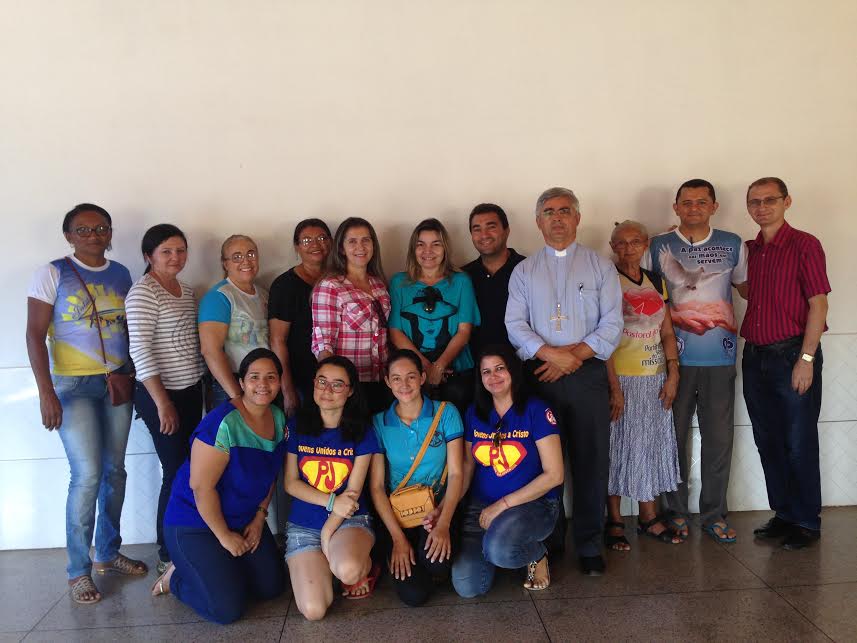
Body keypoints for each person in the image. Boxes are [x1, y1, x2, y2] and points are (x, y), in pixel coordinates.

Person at [25, 203, 147, 605]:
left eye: (101, 228)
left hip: (116, 382)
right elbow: (34, 334)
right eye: (83, 229)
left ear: (110, 233)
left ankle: (108, 553)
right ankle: (78, 570)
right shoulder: (52, 273)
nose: (93, 235)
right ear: (69, 236)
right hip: (72, 387)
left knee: (115, 471)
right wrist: (46, 392)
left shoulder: (121, 274)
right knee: (88, 475)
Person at [506, 187, 623, 576]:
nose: (557, 218)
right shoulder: (525, 271)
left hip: (588, 375)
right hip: (541, 377)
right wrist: (551, 355)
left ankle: (589, 545)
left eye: (564, 211)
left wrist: (573, 357)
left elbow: (612, 323)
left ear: (577, 218)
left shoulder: (600, 266)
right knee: (544, 464)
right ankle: (549, 542)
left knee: (591, 461)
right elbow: (515, 324)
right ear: (538, 221)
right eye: (549, 212)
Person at [150, 348, 288, 624]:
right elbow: (202, 488)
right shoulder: (222, 423)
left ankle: (219, 571)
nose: (263, 384)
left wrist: (259, 518)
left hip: (243, 519)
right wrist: (224, 536)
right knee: (227, 610)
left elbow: (270, 473)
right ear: (241, 382)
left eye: (271, 377)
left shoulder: (277, 417)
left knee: (272, 587)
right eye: (254, 377)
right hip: (196, 523)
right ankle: (175, 579)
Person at [646, 179, 747, 543]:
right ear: (676, 207)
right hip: (671, 360)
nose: (693, 208)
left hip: (720, 356)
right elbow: (641, 290)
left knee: (718, 439)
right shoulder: (657, 246)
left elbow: (746, 288)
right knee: (671, 438)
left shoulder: (732, 244)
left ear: (714, 207)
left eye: (701, 202)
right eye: (686, 202)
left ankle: (714, 514)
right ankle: (675, 512)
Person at [740, 177, 830, 550]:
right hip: (755, 356)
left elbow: (818, 304)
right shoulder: (749, 250)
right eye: (754, 202)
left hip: (792, 354)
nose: (761, 207)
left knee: (798, 441)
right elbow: (747, 289)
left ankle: (806, 520)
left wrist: (806, 359)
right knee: (768, 440)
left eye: (769, 200)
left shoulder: (804, 244)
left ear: (786, 201)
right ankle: (785, 514)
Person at [452, 346, 564, 596]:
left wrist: (502, 505)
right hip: (481, 508)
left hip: (532, 506)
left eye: (500, 369)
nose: (493, 377)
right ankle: (500, 545)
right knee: (467, 587)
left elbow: (555, 475)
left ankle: (536, 554)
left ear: (513, 371)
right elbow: (467, 466)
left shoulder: (536, 410)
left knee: (500, 551)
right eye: (486, 372)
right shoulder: (474, 412)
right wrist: (448, 505)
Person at [127, 224, 205, 574]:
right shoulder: (143, 293)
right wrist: (162, 403)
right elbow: (140, 351)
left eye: (181, 250)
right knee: (174, 470)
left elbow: (190, 342)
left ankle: (187, 538)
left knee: (191, 468)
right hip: (161, 395)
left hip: (190, 390)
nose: (176, 257)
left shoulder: (186, 291)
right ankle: (167, 553)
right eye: (166, 252)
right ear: (149, 256)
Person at [604, 221, 682, 551]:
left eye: (635, 241)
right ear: (612, 246)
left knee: (650, 444)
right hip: (621, 377)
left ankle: (649, 517)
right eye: (620, 243)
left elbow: (666, 331)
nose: (628, 248)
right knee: (616, 447)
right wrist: (614, 388)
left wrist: (673, 373)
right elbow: (603, 338)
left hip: (654, 378)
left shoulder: (656, 281)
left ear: (646, 244)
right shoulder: (606, 280)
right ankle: (615, 521)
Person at [284, 356, 381, 620]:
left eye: (338, 384)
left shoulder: (362, 431)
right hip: (304, 526)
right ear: (313, 384)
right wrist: (330, 501)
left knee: (348, 570)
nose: (327, 390)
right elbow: (290, 483)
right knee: (314, 611)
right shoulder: (297, 426)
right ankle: (328, 567)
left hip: (348, 520)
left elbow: (352, 494)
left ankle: (360, 565)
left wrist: (327, 532)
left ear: (350, 391)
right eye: (322, 381)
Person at [370, 349, 465, 606]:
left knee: (437, 563)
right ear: (387, 382)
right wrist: (397, 539)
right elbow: (377, 487)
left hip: (438, 509)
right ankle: (402, 556)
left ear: (422, 378)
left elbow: (457, 474)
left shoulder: (446, 413)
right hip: (399, 516)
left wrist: (443, 523)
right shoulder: (379, 423)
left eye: (411, 376)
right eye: (396, 378)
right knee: (414, 596)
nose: (404, 384)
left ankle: (430, 565)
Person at [389, 218, 481, 415]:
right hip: (411, 373)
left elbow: (464, 331)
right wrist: (424, 367)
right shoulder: (399, 282)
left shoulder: (461, 281)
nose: (428, 251)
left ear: (445, 248)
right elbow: (395, 331)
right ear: (413, 249)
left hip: (456, 370)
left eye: (436, 244)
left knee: (454, 422)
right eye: (420, 245)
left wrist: (439, 367)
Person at [311, 217, 391, 414]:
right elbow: (323, 343)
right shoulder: (330, 286)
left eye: (366, 240)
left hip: (382, 379)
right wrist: (335, 387)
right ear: (341, 248)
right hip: (350, 386)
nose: (360, 247)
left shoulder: (379, 285)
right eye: (352, 241)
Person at [268, 219, 332, 416]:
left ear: (330, 242)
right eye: (306, 240)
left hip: (333, 379)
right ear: (296, 247)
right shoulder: (285, 286)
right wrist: (288, 391)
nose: (315, 244)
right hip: (300, 381)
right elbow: (277, 340)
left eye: (321, 238)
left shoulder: (337, 280)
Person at [199, 234, 269, 408]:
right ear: (225, 264)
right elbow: (210, 351)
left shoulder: (264, 294)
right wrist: (237, 396)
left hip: (264, 383)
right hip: (232, 384)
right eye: (237, 257)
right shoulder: (219, 297)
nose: (246, 261)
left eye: (251, 254)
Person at [462, 203, 526, 357]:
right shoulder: (462, 277)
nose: (484, 235)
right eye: (477, 229)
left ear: (506, 231)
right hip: (475, 365)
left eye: (491, 227)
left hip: (523, 362)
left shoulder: (528, 270)